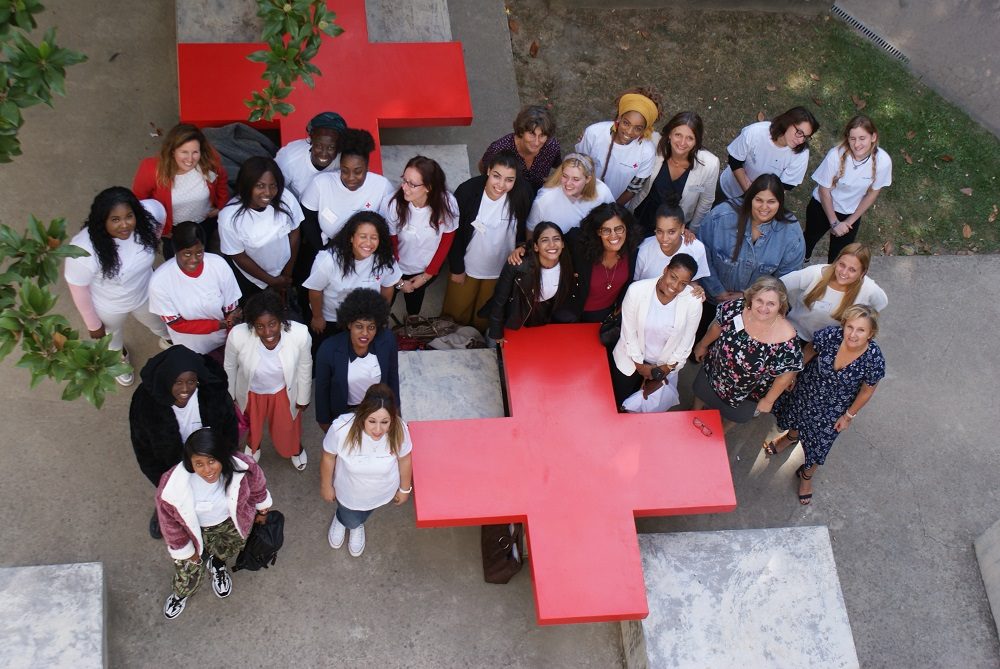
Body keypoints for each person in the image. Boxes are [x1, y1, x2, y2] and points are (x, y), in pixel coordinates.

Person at [766, 305, 886, 505]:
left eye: (861, 330)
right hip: (808, 388)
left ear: (870, 333)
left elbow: (867, 391)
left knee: (819, 446)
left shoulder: (874, 360)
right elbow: (810, 349)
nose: (853, 334)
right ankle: (791, 437)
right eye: (850, 327)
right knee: (797, 416)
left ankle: (806, 476)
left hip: (835, 408)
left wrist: (848, 416)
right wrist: (794, 374)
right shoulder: (831, 336)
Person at [157, 428, 272, 620]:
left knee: (224, 551)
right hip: (192, 533)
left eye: (212, 461)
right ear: (190, 463)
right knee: (188, 568)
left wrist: (262, 510)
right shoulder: (171, 487)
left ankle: (218, 565)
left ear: (222, 456)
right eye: (199, 464)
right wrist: (186, 550)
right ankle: (182, 593)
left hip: (229, 524)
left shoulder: (243, 466)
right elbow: (169, 523)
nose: (207, 470)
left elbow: (258, 487)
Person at [64, 187, 170, 386]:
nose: (124, 225)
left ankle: (167, 338)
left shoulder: (149, 216)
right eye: (115, 219)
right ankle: (119, 358)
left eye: (129, 216)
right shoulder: (83, 250)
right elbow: (78, 289)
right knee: (112, 340)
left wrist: (153, 239)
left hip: (145, 292)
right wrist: (93, 325)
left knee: (159, 323)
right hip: (108, 305)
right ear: (101, 220)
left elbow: (160, 216)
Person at [130, 346, 238, 539]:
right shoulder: (145, 404)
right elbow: (143, 449)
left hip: (208, 456)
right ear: (166, 380)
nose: (185, 389)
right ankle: (165, 509)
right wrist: (163, 483)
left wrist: (225, 458)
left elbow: (229, 427)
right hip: (171, 463)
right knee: (171, 496)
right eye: (177, 382)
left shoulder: (213, 392)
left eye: (191, 381)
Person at [696, 173, 805, 340]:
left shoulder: (791, 234)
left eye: (771, 202)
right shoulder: (721, 216)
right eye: (759, 200)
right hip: (710, 298)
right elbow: (701, 253)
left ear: (780, 203)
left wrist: (748, 296)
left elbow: (786, 279)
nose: (764, 207)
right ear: (749, 198)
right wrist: (718, 292)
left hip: (752, 309)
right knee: (699, 339)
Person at [691, 276, 803, 429]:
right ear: (751, 298)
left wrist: (769, 400)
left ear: (780, 306)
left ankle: (720, 433)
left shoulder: (787, 340)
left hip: (746, 393)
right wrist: (703, 345)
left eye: (771, 303)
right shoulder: (737, 308)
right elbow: (718, 326)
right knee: (701, 394)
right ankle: (693, 415)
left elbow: (786, 375)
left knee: (733, 416)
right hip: (714, 370)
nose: (763, 308)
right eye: (759, 301)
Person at [443, 151, 533, 330]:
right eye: (496, 176)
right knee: (455, 314)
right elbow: (455, 234)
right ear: (488, 171)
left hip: (500, 270)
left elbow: (525, 230)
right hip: (468, 266)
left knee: (484, 316)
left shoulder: (523, 194)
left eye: (509, 179)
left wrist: (523, 248)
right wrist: (456, 268)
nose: (501, 185)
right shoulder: (468, 191)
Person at [320, 383, 413, 557]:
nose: (378, 430)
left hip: (382, 490)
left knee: (366, 510)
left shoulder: (399, 429)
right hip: (349, 491)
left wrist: (404, 488)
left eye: (385, 422)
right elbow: (328, 456)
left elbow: (405, 458)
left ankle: (351, 521)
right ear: (362, 415)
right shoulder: (341, 429)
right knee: (351, 516)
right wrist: (326, 485)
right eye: (372, 421)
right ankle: (348, 522)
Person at [224, 290, 312, 471]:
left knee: (288, 427)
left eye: (272, 324)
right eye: (259, 326)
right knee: (252, 426)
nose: (267, 332)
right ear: (251, 325)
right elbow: (230, 366)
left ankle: (293, 448)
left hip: (282, 391)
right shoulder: (237, 335)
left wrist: (303, 397)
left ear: (281, 319)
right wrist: (230, 394)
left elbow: (305, 366)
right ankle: (253, 445)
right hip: (251, 392)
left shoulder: (300, 334)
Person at [611, 254, 702, 412]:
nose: (675, 286)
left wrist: (664, 370)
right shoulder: (637, 290)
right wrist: (641, 366)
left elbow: (686, 343)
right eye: (673, 277)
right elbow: (628, 333)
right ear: (665, 269)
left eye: (683, 283)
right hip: (629, 359)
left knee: (646, 412)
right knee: (618, 403)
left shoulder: (693, 302)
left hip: (664, 367)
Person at [303, 211, 400, 350]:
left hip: (365, 321)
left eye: (374, 237)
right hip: (332, 319)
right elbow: (315, 290)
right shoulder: (328, 260)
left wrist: (381, 317)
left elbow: (388, 287)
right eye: (363, 236)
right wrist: (317, 317)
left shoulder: (384, 259)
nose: (368, 243)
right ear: (351, 237)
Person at [804, 115, 893, 263]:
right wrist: (834, 223)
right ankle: (798, 264)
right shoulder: (835, 155)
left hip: (850, 213)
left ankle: (828, 283)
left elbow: (872, 194)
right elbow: (823, 190)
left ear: (873, 137)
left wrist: (849, 222)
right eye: (852, 138)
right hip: (822, 206)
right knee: (808, 241)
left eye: (862, 138)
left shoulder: (883, 161)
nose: (857, 144)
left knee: (838, 258)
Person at [132, 123, 229, 259]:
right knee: (175, 260)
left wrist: (220, 205)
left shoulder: (209, 161)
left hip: (204, 222)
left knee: (204, 255)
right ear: (172, 151)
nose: (190, 159)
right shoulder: (152, 169)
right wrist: (160, 230)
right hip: (173, 230)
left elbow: (221, 179)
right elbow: (139, 202)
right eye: (184, 152)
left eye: (195, 152)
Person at [148, 221, 242, 359]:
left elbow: (231, 308)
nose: (194, 259)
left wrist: (230, 333)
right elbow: (176, 324)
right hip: (191, 346)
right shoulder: (159, 282)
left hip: (224, 339)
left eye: (199, 253)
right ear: (175, 250)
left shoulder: (219, 265)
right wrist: (219, 324)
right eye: (187, 254)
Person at [217, 156, 303, 305]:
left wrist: (286, 275)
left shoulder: (286, 199)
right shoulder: (229, 217)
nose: (268, 192)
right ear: (247, 185)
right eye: (260, 186)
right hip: (251, 279)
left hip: (284, 271)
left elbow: (295, 233)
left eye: (273, 185)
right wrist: (271, 281)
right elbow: (238, 256)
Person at [314, 288, 400, 432]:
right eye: (359, 326)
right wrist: (324, 421)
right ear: (349, 325)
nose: (365, 333)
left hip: (378, 409)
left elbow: (392, 375)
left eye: (371, 327)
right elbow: (322, 389)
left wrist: (394, 408)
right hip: (345, 413)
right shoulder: (328, 349)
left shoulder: (387, 340)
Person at [385, 155, 459, 316]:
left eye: (412, 184)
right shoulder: (394, 205)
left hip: (424, 269)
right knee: (383, 306)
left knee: (414, 307)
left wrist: (427, 275)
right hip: (396, 268)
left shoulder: (448, 204)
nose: (404, 187)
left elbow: (446, 241)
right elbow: (390, 244)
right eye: (404, 180)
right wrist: (397, 280)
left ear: (429, 187)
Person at [484, 222, 578, 345]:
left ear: (563, 244)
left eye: (556, 239)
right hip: (513, 315)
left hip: (542, 316)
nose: (552, 244)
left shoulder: (567, 262)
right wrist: (497, 333)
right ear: (536, 247)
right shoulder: (518, 265)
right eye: (545, 240)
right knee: (498, 349)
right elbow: (499, 299)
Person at [631, 111, 720, 233]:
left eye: (690, 138)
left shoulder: (709, 165)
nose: (682, 143)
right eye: (678, 135)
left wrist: (692, 230)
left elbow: (705, 200)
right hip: (641, 215)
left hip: (673, 228)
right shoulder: (654, 143)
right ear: (669, 134)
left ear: (696, 141)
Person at [780, 243, 887, 342]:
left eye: (852, 270)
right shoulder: (814, 274)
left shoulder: (869, 289)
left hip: (830, 343)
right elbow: (779, 285)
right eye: (842, 265)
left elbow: (881, 303)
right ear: (836, 261)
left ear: (863, 272)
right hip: (796, 333)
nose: (844, 272)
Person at [575, 87, 661, 205]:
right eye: (626, 123)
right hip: (581, 199)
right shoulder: (594, 133)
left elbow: (633, 188)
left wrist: (612, 210)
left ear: (645, 129)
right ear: (619, 117)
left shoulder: (647, 151)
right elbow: (578, 166)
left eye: (638, 128)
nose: (629, 132)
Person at [716, 106, 819, 202]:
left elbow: (786, 185)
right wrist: (749, 193)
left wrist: (759, 201)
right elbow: (735, 161)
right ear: (788, 122)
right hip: (728, 190)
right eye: (799, 132)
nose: (801, 140)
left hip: (759, 204)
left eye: (805, 137)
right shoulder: (755, 132)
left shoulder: (801, 154)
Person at [566, 202, 640, 323]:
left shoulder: (633, 252)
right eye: (606, 230)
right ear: (598, 232)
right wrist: (525, 247)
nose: (613, 235)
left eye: (619, 228)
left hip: (607, 317)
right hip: (573, 315)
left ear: (627, 228)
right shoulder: (580, 247)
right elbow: (553, 243)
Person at [525, 153, 615, 234]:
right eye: (565, 176)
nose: (568, 183)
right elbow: (531, 229)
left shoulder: (602, 191)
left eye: (576, 179)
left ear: (588, 179)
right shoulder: (544, 199)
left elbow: (614, 219)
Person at [479, 105, 562, 191]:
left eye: (542, 135)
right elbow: (484, 168)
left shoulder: (552, 146)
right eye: (532, 134)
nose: (537, 142)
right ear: (521, 131)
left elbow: (560, 167)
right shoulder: (500, 149)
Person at [274, 111, 347, 199]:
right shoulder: (289, 158)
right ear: (311, 138)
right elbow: (273, 189)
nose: (324, 154)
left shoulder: (345, 160)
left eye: (331, 147)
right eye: (318, 146)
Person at [634, 203, 711, 285]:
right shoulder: (643, 249)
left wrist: (696, 289)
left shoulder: (696, 248)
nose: (664, 238)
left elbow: (693, 281)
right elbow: (635, 284)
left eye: (671, 232)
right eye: (659, 231)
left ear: (682, 228)